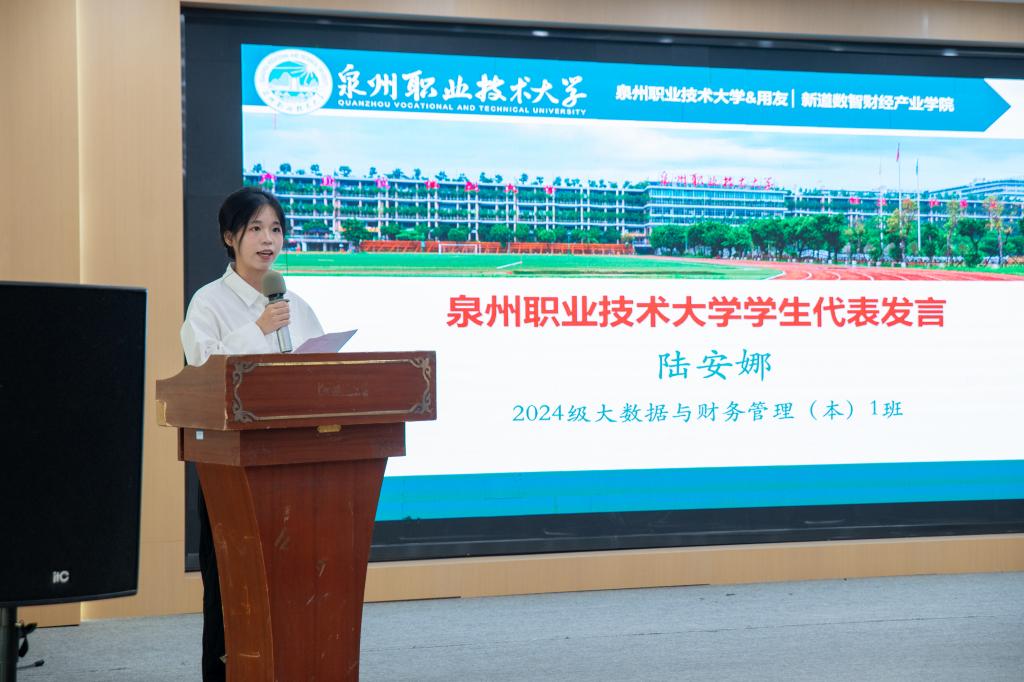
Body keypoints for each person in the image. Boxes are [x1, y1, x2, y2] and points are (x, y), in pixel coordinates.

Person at [180, 187, 324, 681]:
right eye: (256, 229)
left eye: (276, 229)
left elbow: (319, 370)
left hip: (293, 462)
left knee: (293, 582)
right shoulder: (209, 302)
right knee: (231, 588)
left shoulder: (294, 302)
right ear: (230, 237)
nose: (268, 240)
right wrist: (258, 328)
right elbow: (201, 370)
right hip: (232, 467)